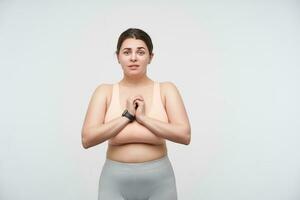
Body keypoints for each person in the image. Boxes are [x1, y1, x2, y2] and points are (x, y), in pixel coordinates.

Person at [81, 28, 191, 200]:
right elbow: (87, 139)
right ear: (118, 57)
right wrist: (127, 116)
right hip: (114, 182)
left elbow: (184, 135)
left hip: (160, 182)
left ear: (151, 57)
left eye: (140, 52)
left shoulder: (166, 90)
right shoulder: (104, 92)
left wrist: (143, 119)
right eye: (127, 52)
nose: (133, 58)